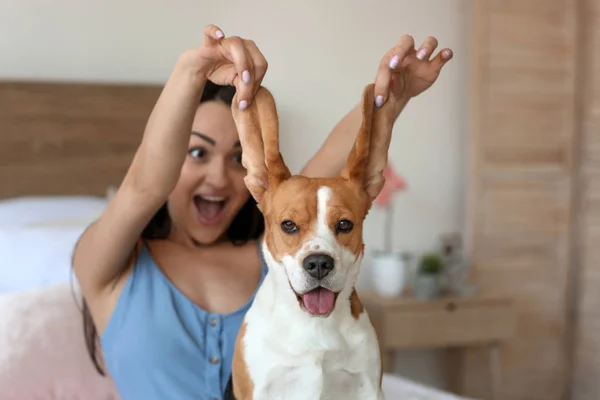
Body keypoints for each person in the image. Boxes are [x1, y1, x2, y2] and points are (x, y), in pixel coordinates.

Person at [72, 24, 453, 400]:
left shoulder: (276, 254)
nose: (219, 177)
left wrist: (390, 98)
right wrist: (192, 70)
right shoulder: (107, 264)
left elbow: (329, 187)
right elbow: (145, 185)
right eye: (197, 153)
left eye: (238, 157)